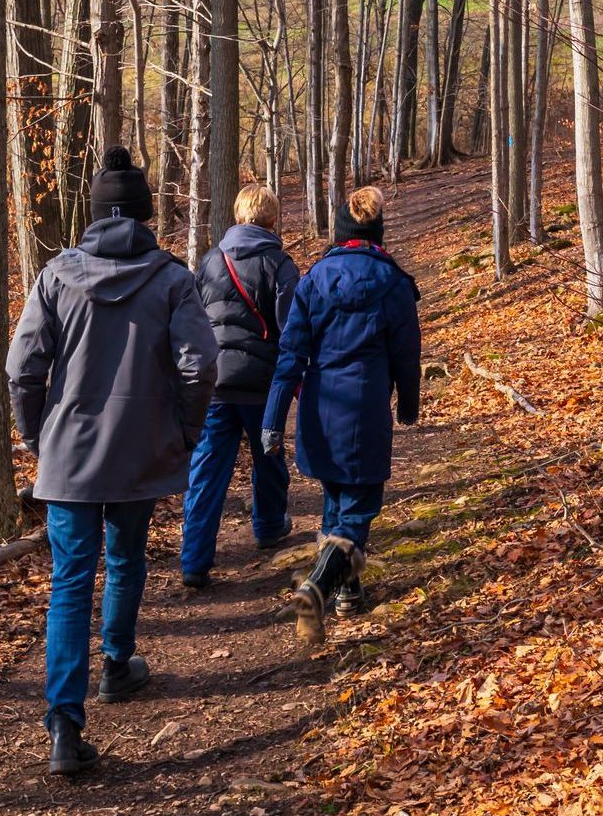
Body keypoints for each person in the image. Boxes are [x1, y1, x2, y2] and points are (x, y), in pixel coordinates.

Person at [6, 146, 217, 777]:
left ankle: (65, 726)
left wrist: (35, 437)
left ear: (94, 216)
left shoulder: (56, 277)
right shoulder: (172, 279)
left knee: (71, 580)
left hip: (68, 455)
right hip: (139, 450)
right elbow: (201, 363)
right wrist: (183, 429)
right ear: (147, 215)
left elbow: (23, 367)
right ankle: (117, 665)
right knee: (125, 558)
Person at [262, 186, 422, 646]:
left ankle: (348, 592)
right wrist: (408, 404)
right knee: (357, 510)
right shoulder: (392, 282)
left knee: (336, 500)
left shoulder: (315, 278)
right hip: (365, 408)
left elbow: (290, 353)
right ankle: (317, 585)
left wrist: (273, 419)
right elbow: (406, 354)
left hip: (319, 407)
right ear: (378, 231)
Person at [179, 184, 302, 589]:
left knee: (207, 468)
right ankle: (268, 526)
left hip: (216, 383)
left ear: (237, 216)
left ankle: (194, 558)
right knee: (269, 455)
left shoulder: (210, 261)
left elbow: (195, 319)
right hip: (262, 384)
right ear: (271, 218)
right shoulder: (279, 264)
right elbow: (291, 327)